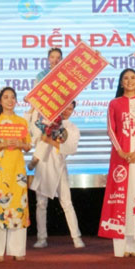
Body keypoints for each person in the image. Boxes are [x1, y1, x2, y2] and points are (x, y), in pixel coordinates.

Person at [98, 69, 135, 257]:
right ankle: (123, 247)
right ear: (121, 83)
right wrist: (121, 152)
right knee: (121, 200)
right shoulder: (114, 104)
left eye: (133, 78)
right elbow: (111, 129)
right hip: (120, 157)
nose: (129, 81)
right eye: (126, 78)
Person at [0, 87, 32, 262]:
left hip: (17, 169)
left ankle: (17, 250)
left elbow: (28, 145)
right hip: (0, 170)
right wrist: (4, 143)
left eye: (13, 97)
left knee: (18, 206)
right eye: (6, 97)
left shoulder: (22, 122)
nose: (10, 100)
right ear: (0, 101)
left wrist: (19, 143)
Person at [28, 101, 85, 249]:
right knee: (41, 204)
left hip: (59, 166)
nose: (68, 110)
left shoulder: (72, 128)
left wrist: (51, 141)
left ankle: (76, 237)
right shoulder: (48, 121)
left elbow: (71, 148)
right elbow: (34, 130)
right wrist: (33, 107)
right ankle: (41, 238)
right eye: (65, 107)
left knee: (66, 202)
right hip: (43, 165)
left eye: (71, 108)